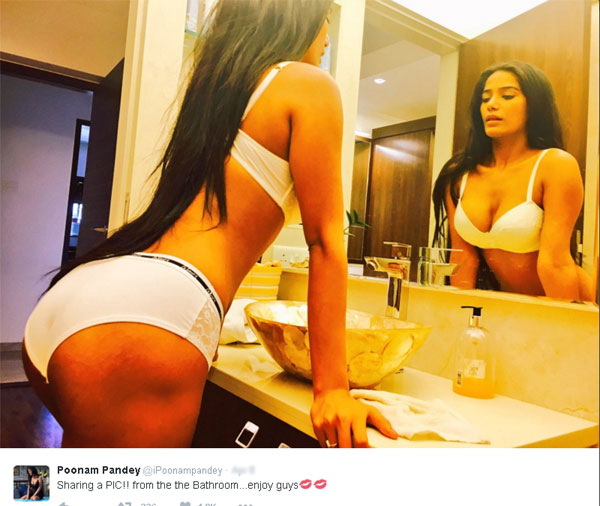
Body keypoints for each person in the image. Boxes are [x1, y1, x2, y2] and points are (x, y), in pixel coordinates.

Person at [22, 0, 398, 448]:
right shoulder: (308, 84)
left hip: (84, 299)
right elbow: (325, 242)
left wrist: (194, 327)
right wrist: (333, 389)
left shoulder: (218, 95)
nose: (327, 38)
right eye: (325, 22)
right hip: (151, 317)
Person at [432, 61, 593, 300]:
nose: (492, 104)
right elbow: (462, 258)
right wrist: (459, 312)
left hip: (566, 300)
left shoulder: (554, 164)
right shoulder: (459, 174)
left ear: (535, 105)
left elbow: (555, 263)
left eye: (507, 96)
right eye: (485, 99)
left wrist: (562, 321)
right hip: (508, 303)